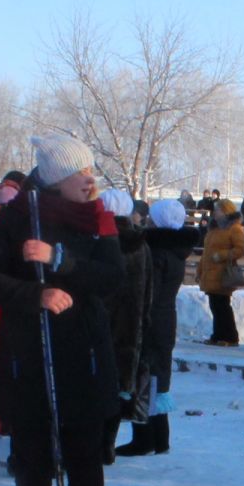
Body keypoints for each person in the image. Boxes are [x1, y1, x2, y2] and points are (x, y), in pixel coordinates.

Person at [0, 134, 122, 486]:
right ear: (56, 179)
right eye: (80, 172)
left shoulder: (100, 218)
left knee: (83, 452)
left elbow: (113, 279)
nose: (90, 179)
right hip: (30, 352)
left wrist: (60, 259)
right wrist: (34, 293)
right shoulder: (19, 216)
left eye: (91, 169)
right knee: (31, 451)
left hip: (85, 354)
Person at [117, 197, 194, 458]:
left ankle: (144, 437)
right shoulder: (176, 250)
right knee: (158, 378)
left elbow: (147, 290)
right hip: (166, 317)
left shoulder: (155, 250)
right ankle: (160, 438)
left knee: (145, 377)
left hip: (151, 318)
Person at [98, 187, 151, 465]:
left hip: (96, 322)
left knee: (91, 384)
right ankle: (108, 443)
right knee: (119, 385)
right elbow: (148, 291)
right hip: (129, 327)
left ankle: (91, 443)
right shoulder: (140, 244)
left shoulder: (95, 239)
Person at [199, 198, 244, 345]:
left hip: (223, 273)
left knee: (222, 305)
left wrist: (222, 255)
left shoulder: (234, 228)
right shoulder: (214, 228)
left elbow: (240, 249)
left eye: (218, 210)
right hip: (210, 272)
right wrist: (199, 270)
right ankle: (218, 335)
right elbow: (206, 252)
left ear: (226, 211)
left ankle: (230, 337)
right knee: (215, 305)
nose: (215, 212)